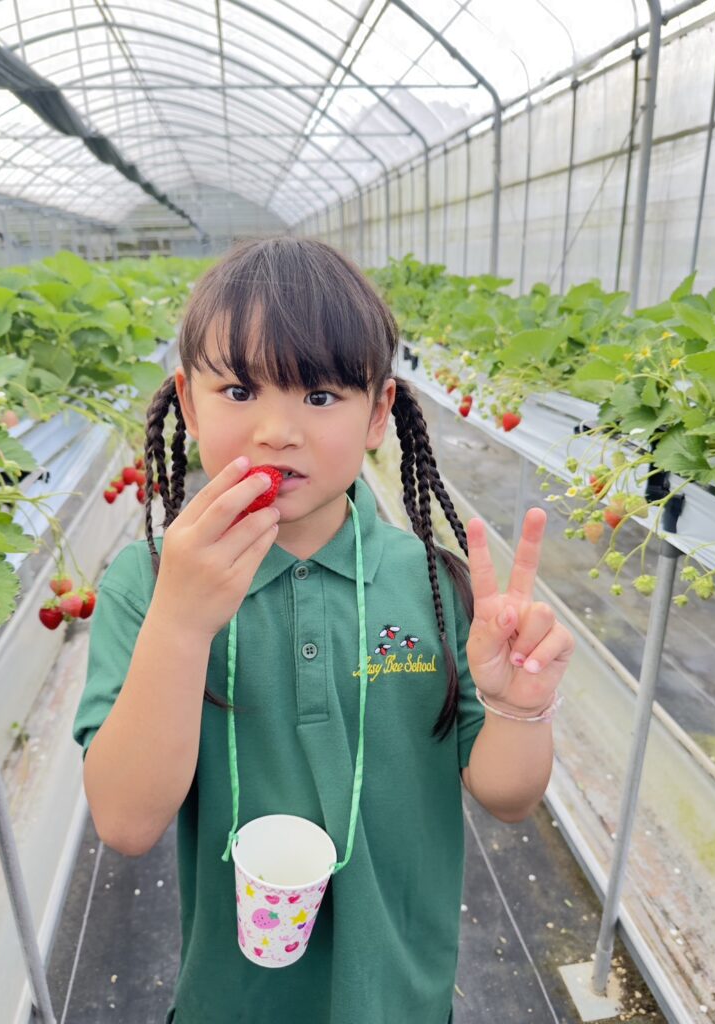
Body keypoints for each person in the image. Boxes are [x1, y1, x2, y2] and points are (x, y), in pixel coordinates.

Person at [73, 236, 575, 1024]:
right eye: (240, 390)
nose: (278, 430)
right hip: (231, 1007)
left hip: (402, 1004)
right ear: (189, 403)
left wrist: (519, 704)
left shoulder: (432, 585)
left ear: (378, 413)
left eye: (319, 396)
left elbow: (508, 797)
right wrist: (181, 623)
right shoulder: (148, 584)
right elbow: (126, 822)